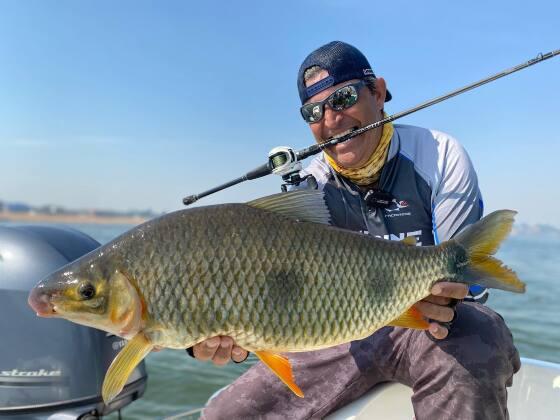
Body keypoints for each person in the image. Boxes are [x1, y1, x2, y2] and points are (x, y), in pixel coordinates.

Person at [190, 41, 521, 419]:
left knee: (478, 341)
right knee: (225, 413)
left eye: (343, 98)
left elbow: (468, 285)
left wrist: (447, 294)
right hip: (339, 333)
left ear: (378, 93)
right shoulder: (308, 189)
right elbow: (286, 302)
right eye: (313, 111)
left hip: (429, 325)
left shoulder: (439, 153)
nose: (330, 120)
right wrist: (229, 333)